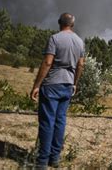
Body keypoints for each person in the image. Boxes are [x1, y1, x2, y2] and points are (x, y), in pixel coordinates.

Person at [31, 13, 85, 168]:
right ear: (72, 25)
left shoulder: (55, 39)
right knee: (60, 121)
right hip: (67, 86)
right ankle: (54, 159)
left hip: (52, 85)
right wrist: (74, 83)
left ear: (59, 23)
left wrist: (36, 85)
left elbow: (48, 62)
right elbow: (80, 65)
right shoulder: (80, 42)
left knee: (47, 121)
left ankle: (42, 162)